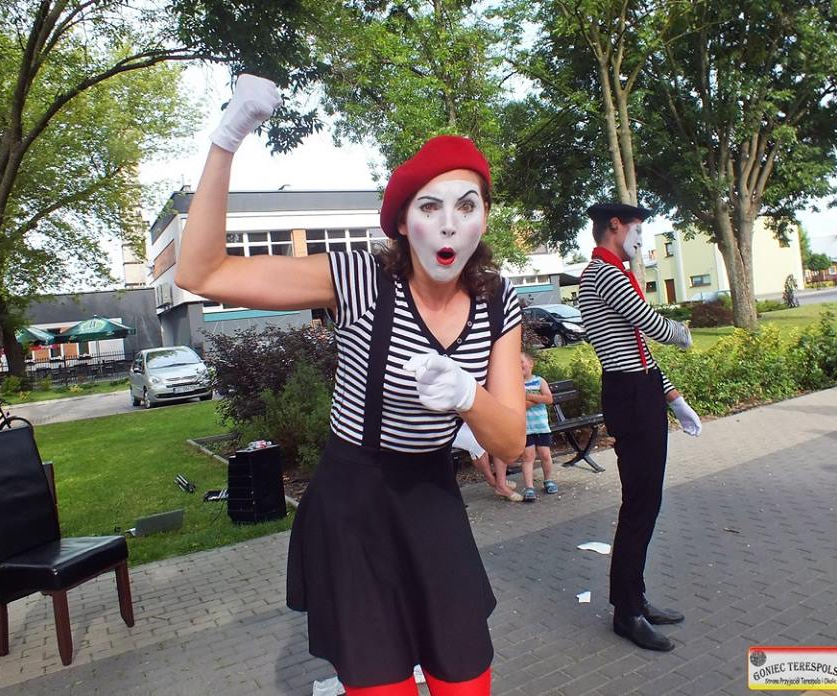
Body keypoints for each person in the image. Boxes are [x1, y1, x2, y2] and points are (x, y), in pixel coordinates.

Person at [175, 74, 526, 695]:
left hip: (432, 499)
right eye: (430, 207)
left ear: (484, 218)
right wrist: (227, 138)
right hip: (355, 503)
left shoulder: (499, 301)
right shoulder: (359, 279)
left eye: (466, 206)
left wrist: (469, 396)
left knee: (467, 677)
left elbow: (510, 443)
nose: (449, 225)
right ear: (404, 224)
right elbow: (202, 272)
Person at [578, 202, 702, 653]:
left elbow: (640, 352)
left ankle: (635, 598)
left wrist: (672, 396)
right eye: (638, 232)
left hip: (639, 389)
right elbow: (650, 325)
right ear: (615, 226)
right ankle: (626, 613)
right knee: (640, 505)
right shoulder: (603, 274)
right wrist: (684, 333)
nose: (641, 243)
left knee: (646, 502)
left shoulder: (612, 272)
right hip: (629, 394)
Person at [521, 351, 557, 498]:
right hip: (525, 428)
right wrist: (537, 398)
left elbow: (548, 399)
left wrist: (529, 396)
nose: (518, 366)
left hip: (541, 426)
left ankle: (548, 480)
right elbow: (521, 405)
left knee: (545, 455)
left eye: (521, 362)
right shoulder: (515, 384)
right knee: (528, 457)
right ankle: (529, 487)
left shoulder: (540, 381)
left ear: (530, 364)